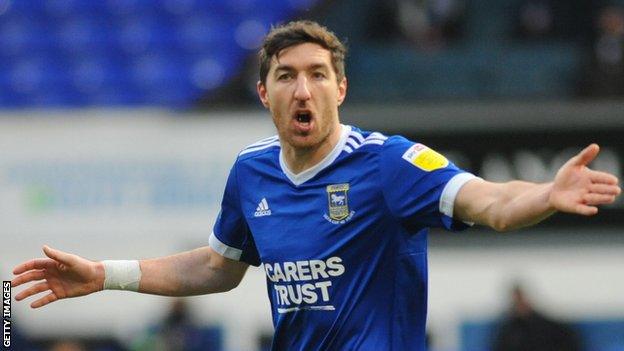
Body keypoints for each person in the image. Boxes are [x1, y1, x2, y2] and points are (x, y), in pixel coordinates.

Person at [11, 20, 621, 351]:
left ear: (341, 88)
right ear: (264, 93)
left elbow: (487, 200)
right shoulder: (251, 172)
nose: (303, 89)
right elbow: (217, 269)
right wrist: (105, 275)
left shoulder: (388, 163)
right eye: (287, 76)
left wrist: (543, 194)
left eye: (317, 74)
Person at [492, 284, 582, 351]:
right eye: (516, 301)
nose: (519, 305)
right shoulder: (508, 331)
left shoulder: (548, 327)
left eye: (520, 300)